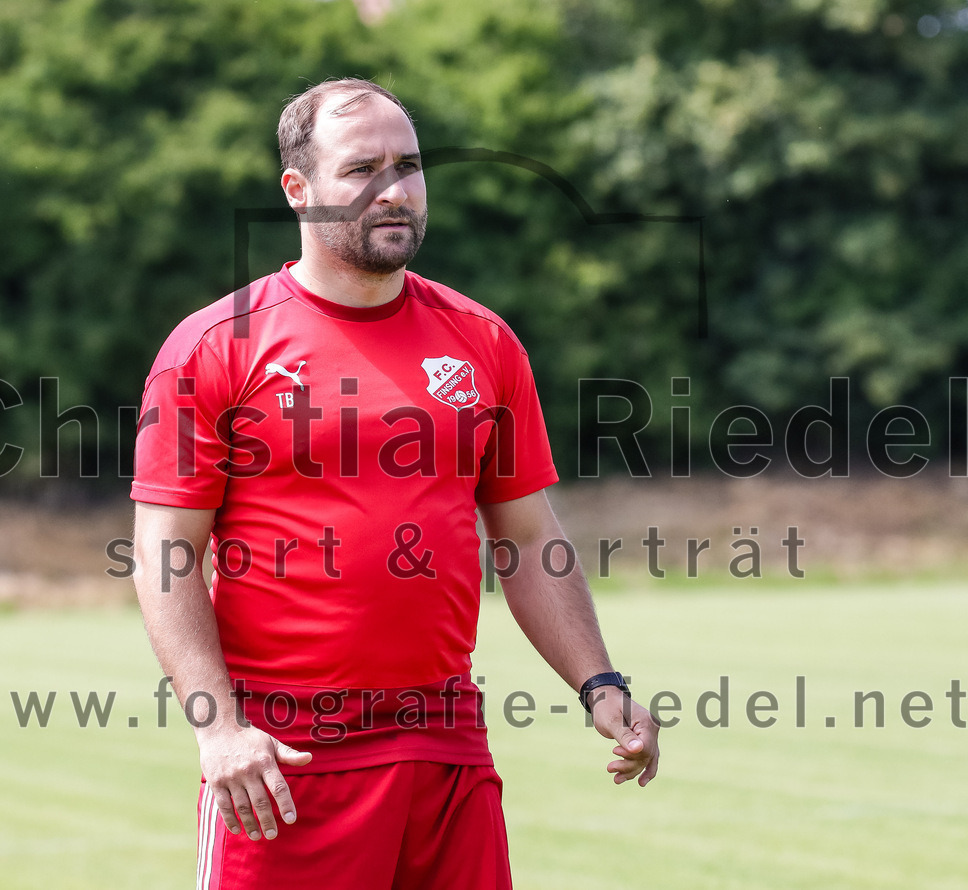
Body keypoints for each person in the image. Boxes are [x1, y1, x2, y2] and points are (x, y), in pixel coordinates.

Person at [131, 77, 659, 890]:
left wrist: (599, 681)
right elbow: (165, 556)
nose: (395, 190)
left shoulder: (482, 340)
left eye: (409, 166)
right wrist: (220, 729)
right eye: (361, 170)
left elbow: (527, 539)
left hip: (444, 745)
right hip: (284, 758)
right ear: (297, 191)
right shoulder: (215, 347)